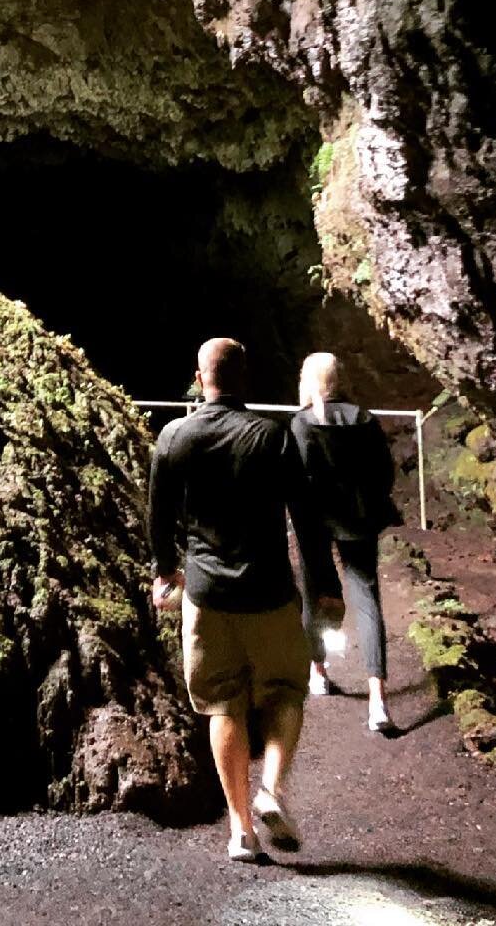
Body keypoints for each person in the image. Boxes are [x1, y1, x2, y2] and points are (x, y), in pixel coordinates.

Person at [149, 337, 343, 863]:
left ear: (199, 377)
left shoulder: (174, 437)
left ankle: (240, 830)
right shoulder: (273, 438)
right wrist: (325, 585)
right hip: (270, 593)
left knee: (222, 704)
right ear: (245, 377)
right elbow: (305, 517)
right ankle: (272, 792)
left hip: (207, 597)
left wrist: (165, 573)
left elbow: (159, 518)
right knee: (285, 691)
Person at [291, 351, 401, 734]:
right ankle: (378, 702)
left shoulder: (301, 424)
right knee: (367, 600)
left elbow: (297, 483)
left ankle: (317, 671)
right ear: (339, 379)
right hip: (358, 523)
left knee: (314, 595)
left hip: (315, 525)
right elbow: (384, 473)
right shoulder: (363, 418)